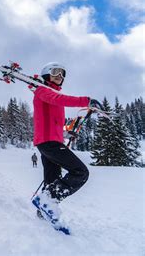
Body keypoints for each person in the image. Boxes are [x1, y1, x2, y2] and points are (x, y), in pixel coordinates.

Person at [31, 62, 103, 219]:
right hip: (48, 143)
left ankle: (42, 213)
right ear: (46, 74)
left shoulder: (50, 95)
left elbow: (52, 122)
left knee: (52, 180)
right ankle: (46, 202)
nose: (59, 76)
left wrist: (66, 134)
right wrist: (86, 101)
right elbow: (60, 99)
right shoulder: (43, 91)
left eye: (62, 74)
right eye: (56, 72)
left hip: (50, 142)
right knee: (80, 172)